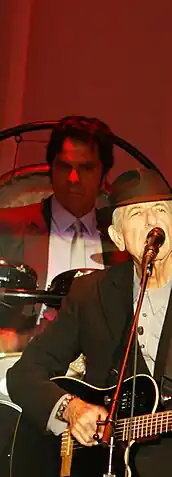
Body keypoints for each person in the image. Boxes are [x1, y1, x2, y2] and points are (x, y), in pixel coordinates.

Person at [6, 168, 172, 477]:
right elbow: (24, 375)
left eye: (161, 210)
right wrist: (71, 408)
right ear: (117, 237)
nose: (152, 222)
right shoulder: (90, 294)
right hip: (93, 465)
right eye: (138, 213)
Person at [0, 116, 128, 351]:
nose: (73, 179)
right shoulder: (6, 228)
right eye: (64, 166)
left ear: (103, 176)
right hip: (16, 373)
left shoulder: (122, 246)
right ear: (51, 168)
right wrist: (15, 340)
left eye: (86, 168)